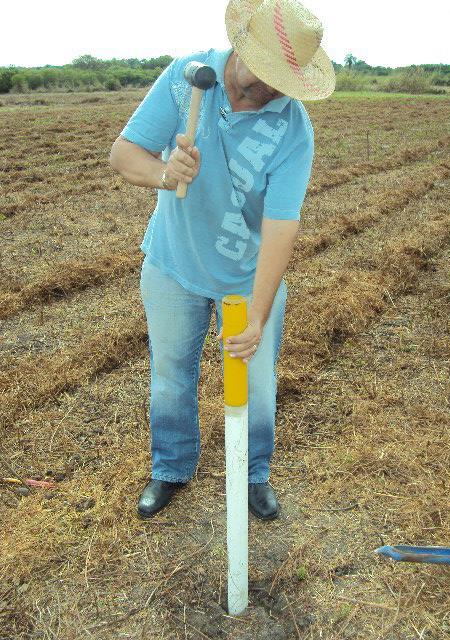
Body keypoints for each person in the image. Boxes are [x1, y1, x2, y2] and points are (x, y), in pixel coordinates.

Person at [109, 0, 336, 520]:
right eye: (267, 77)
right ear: (241, 49)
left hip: (246, 274)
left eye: (285, 82)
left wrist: (257, 312)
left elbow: (283, 223)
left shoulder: (294, 129)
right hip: (173, 264)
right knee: (171, 374)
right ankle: (169, 468)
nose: (273, 91)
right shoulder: (186, 80)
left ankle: (255, 472)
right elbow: (125, 155)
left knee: (256, 383)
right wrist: (166, 173)